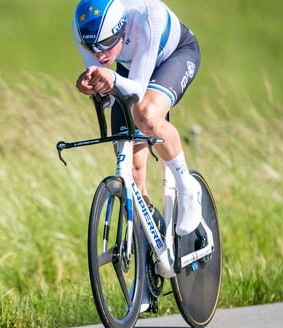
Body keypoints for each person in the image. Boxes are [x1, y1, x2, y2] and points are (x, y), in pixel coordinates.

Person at [72, 0, 203, 311]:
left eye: (105, 44)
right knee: (131, 167)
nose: (99, 52)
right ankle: (145, 275)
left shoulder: (145, 16)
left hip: (174, 55)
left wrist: (109, 79)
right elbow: (104, 74)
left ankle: (188, 187)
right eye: (91, 46)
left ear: (120, 30)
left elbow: (138, 92)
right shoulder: (86, 27)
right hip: (131, 68)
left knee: (145, 115)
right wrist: (92, 83)